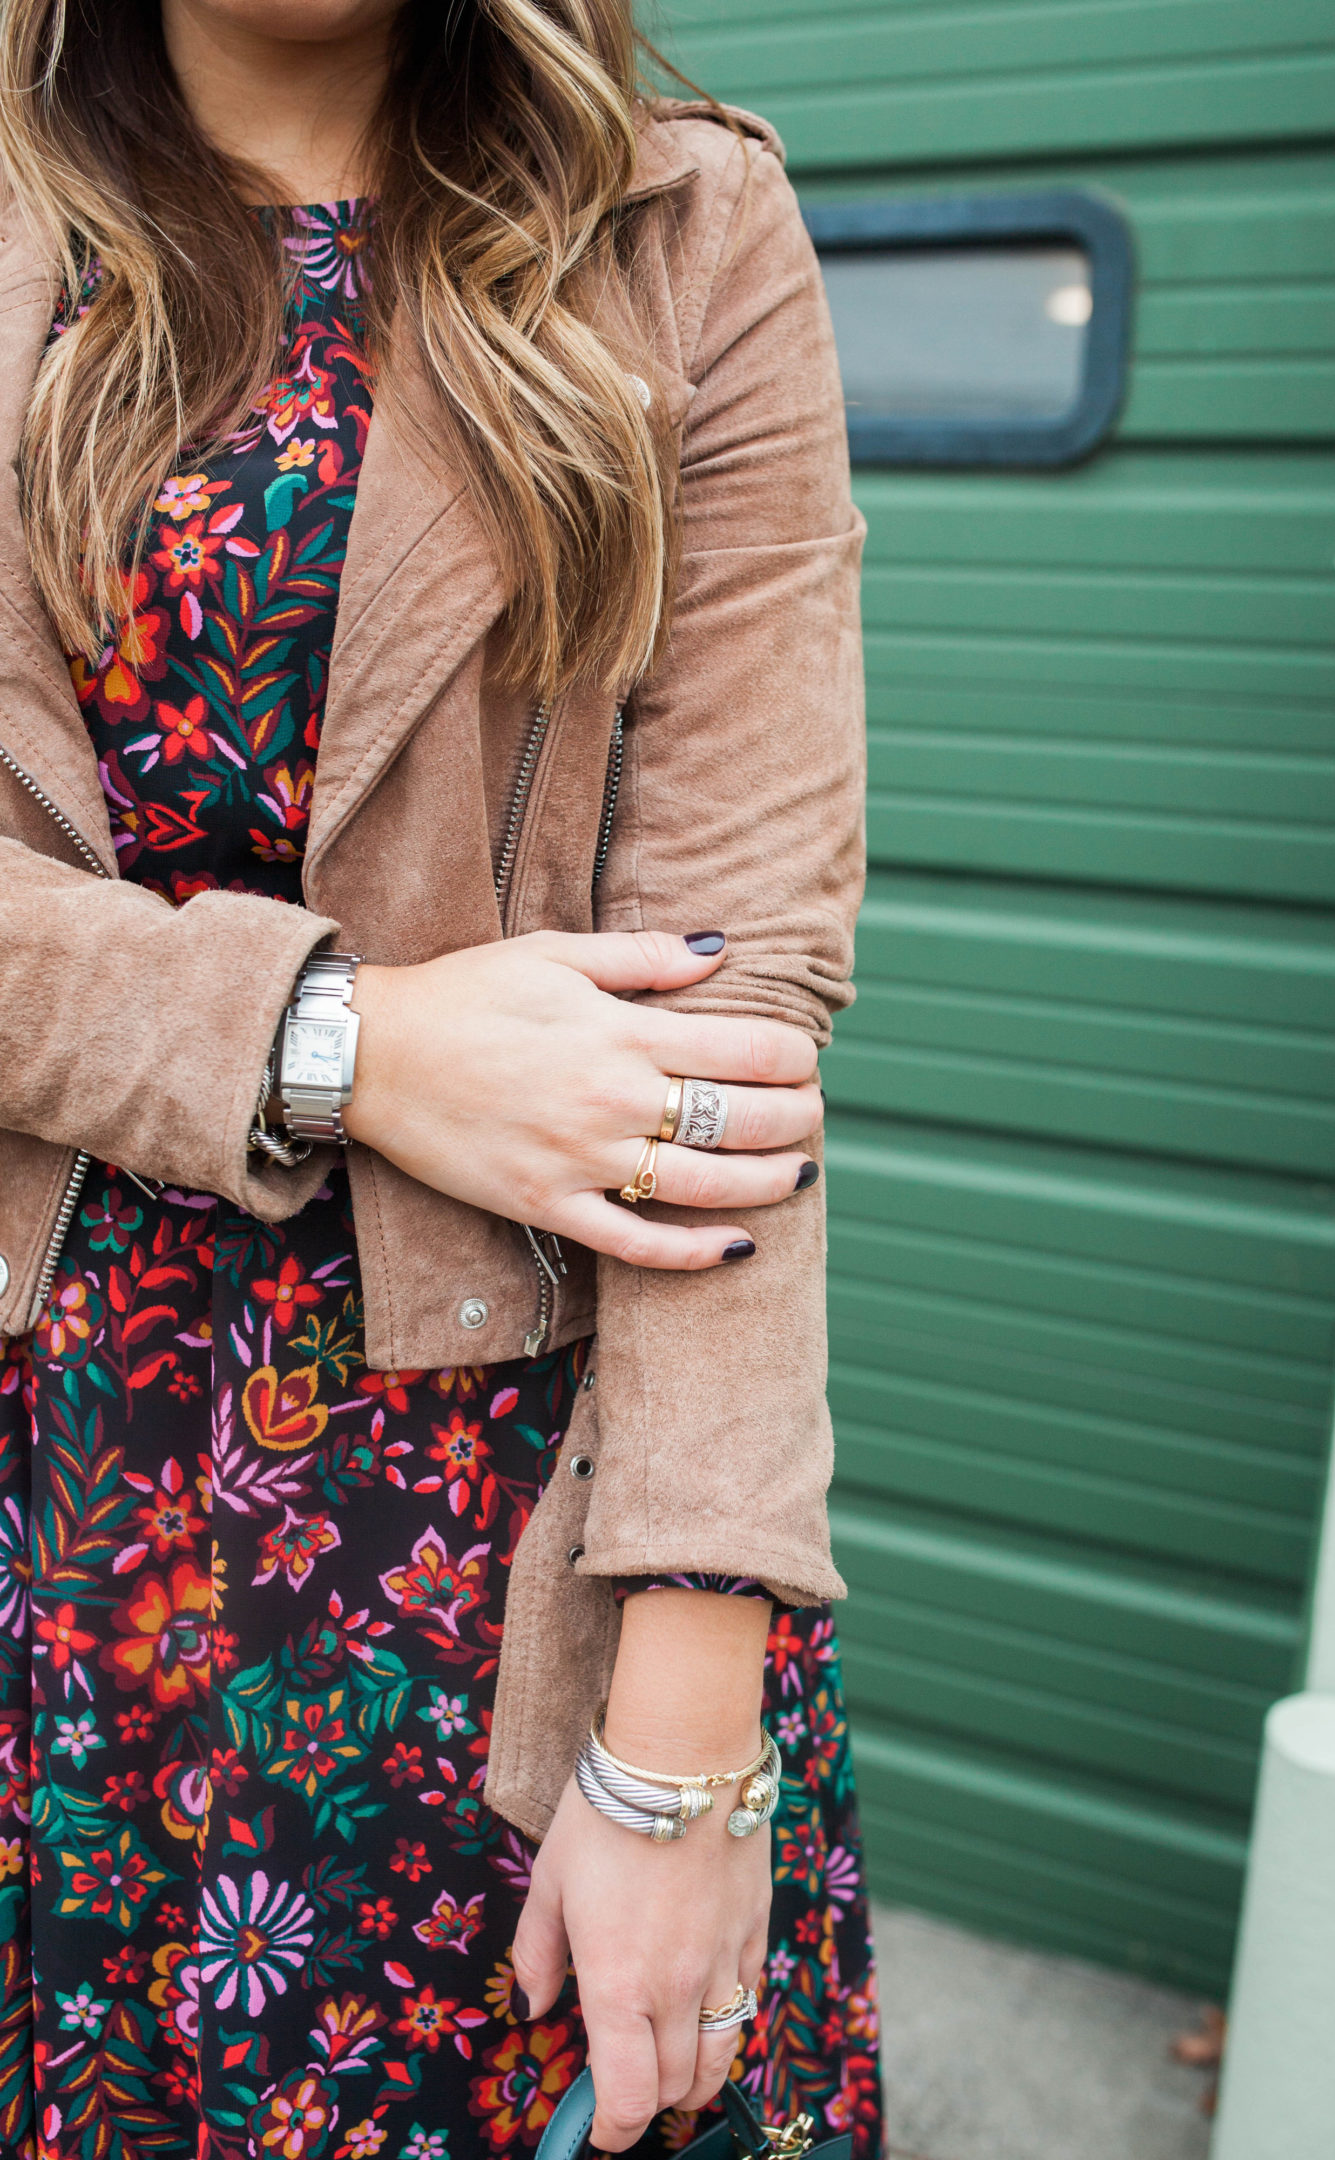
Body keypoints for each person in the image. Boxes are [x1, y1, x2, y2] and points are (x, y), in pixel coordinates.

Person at [0, 4, 877, 2157]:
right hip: (48, 1488)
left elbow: (731, 1006)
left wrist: (677, 1748)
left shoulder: (682, 231)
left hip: (500, 1523)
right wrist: (343, 1044)